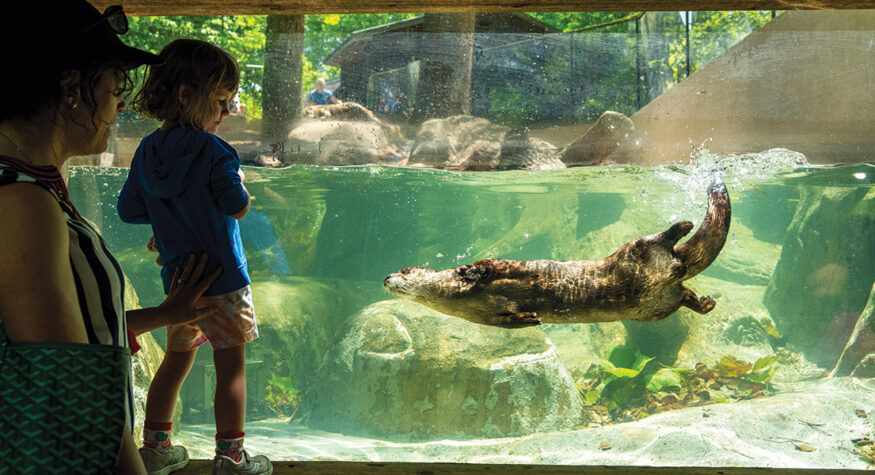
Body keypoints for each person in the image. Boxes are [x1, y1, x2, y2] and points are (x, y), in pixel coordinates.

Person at [0, 2, 222, 474]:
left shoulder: (30, 185)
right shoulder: (21, 200)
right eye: (116, 87)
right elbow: (67, 386)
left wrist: (165, 314)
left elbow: (72, 331)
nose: (121, 104)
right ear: (71, 87)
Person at [118, 39, 272, 475]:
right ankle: (231, 457)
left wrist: (167, 223)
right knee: (231, 367)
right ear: (187, 95)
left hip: (179, 286)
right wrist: (243, 185)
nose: (226, 112)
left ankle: (156, 448)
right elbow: (235, 205)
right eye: (221, 101)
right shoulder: (214, 150)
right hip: (225, 281)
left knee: (176, 360)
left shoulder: (147, 150)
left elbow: (129, 209)